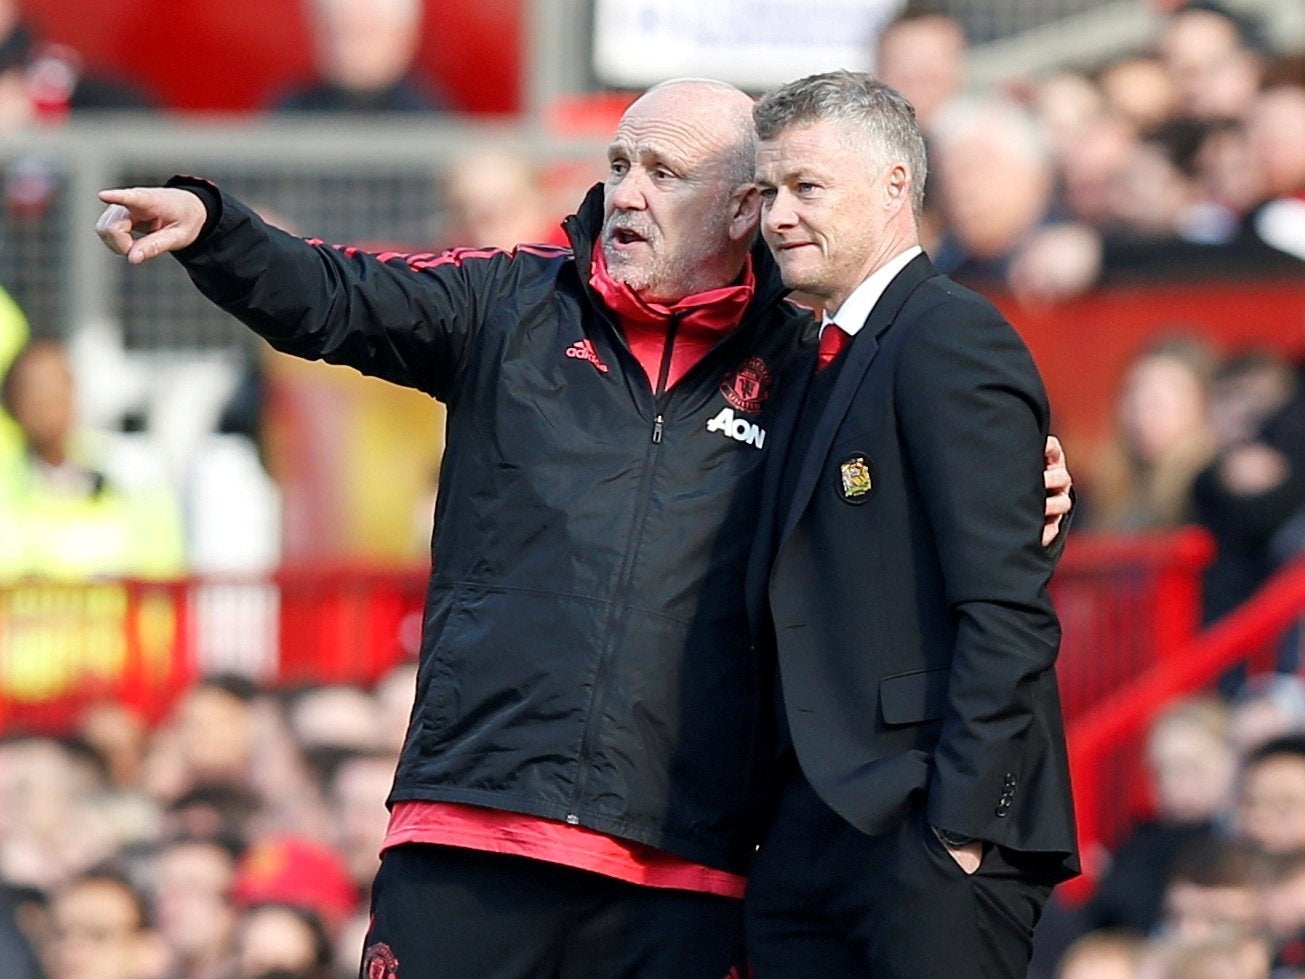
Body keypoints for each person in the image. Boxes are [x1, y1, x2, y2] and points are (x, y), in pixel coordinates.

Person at [95, 77, 1073, 977]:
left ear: (744, 207)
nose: (626, 194)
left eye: (663, 172)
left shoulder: (809, 357)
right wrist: (218, 230)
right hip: (471, 831)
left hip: (683, 864)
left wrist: (1038, 501)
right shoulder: (511, 301)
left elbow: (922, 522)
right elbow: (338, 294)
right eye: (617, 165)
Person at [745, 70, 1077, 977]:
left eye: (804, 187)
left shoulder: (949, 338)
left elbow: (1006, 604)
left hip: (916, 829)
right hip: (804, 831)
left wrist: (960, 827)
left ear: (897, 185)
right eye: (767, 190)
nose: (776, 215)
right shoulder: (805, 351)